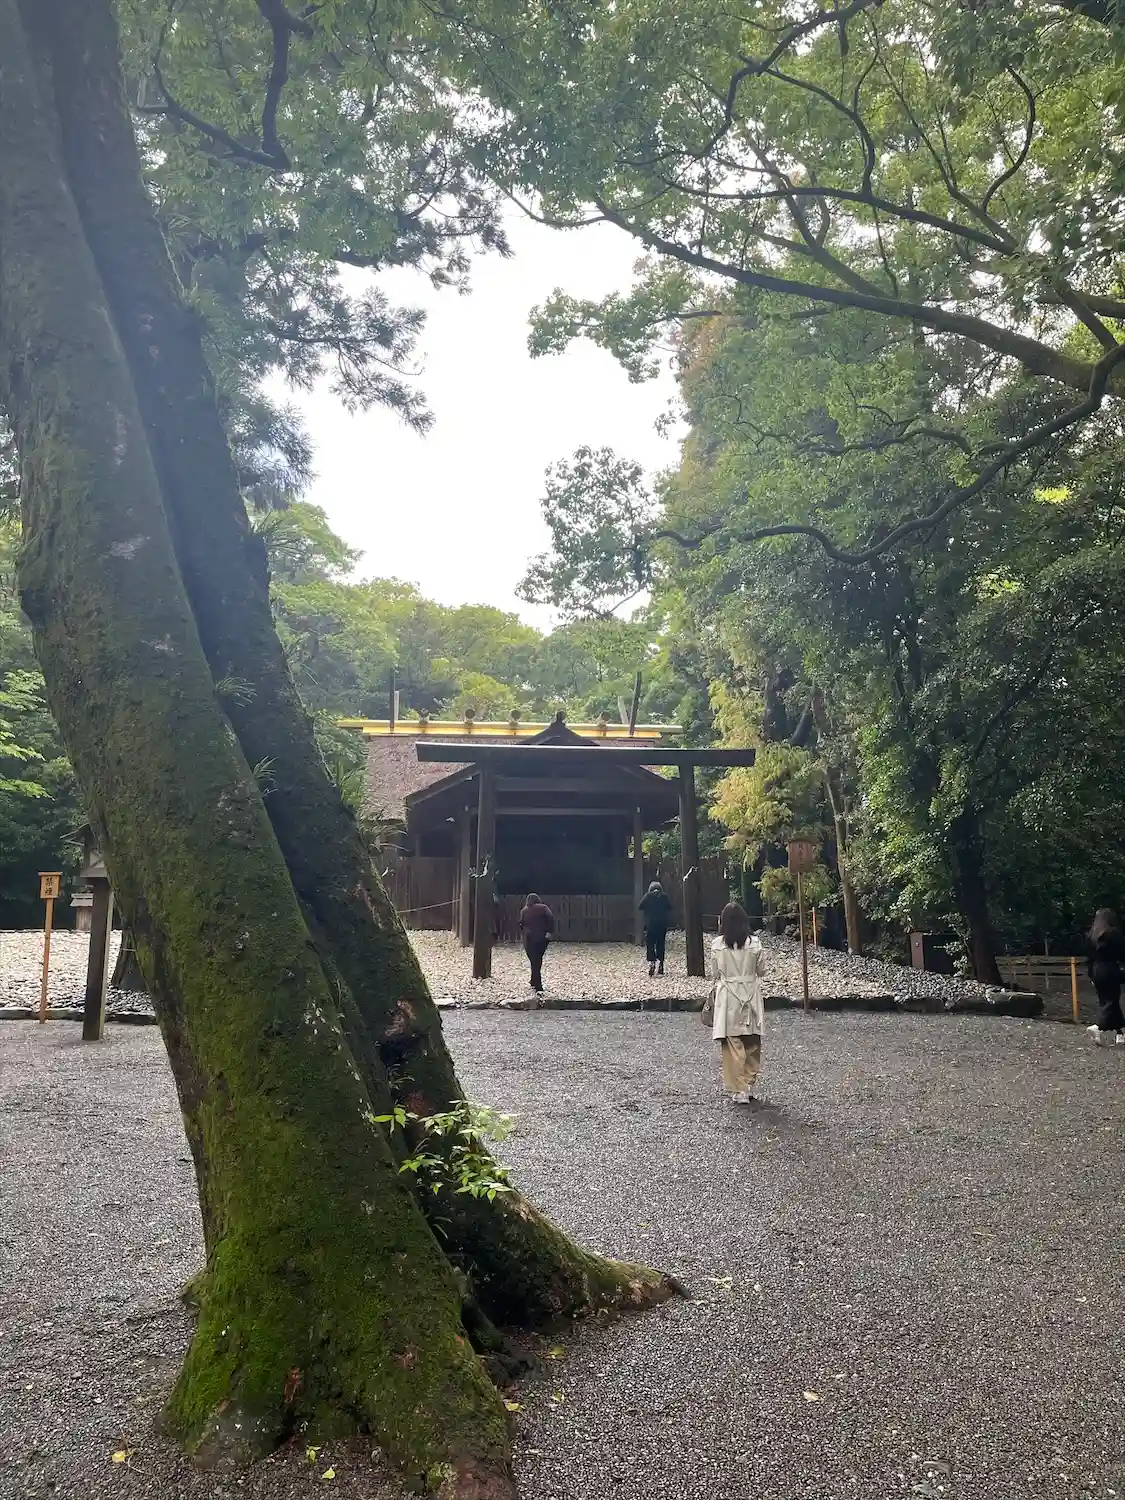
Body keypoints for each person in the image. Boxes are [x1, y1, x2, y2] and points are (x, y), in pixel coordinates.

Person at [709, 902, 767, 1102]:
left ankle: (738, 1088)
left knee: (732, 1043)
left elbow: (715, 973)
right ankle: (747, 1083)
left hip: (728, 996)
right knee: (752, 1040)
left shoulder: (717, 945)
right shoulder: (755, 943)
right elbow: (761, 971)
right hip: (750, 994)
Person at [1086, 908, 1125, 1046]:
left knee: (1107, 1000)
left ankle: (1120, 1033)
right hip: (1110, 968)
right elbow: (1122, 953)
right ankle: (1098, 1027)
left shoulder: (1092, 935)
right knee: (1111, 1001)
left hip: (1096, 969)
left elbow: (1089, 958)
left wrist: (1091, 975)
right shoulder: (1113, 933)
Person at [518, 893, 555, 995]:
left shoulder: (524, 911)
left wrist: (525, 932)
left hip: (529, 938)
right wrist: (549, 932)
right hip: (542, 937)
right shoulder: (543, 908)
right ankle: (535, 981)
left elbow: (521, 924)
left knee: (534, 960)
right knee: (537, 959)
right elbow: (551, 918)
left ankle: (537, 984)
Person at [639, 879, 673, 976]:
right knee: (660, 943)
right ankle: (661, 964)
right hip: (662, 924)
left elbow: (640, 906)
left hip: (651, 925)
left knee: (650, 944)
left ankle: (652, 962)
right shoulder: (664, 896)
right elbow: (670, 907)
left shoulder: (648, 896)